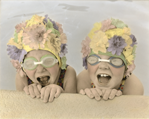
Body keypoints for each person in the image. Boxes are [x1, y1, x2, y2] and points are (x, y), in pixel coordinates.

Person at [7, 14, 77, 103]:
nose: (40, 69)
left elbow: (73, 110)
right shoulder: (22, 78)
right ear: (23, 67)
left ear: (59, 62)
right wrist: (28, 97)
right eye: (30, 63)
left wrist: (61, 94)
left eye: (48, 61)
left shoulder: (68, 73)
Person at [77, 18, 144, 101]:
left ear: (126, 68)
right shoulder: (83, 79)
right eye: (94, 59)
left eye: (115, 61)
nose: (103, 66)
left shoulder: (134, 86)